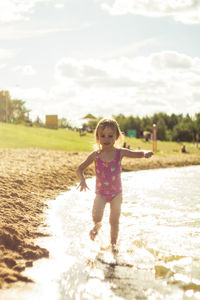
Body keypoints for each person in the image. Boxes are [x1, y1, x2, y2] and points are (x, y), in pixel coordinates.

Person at [76, 118, 153, 251]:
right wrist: (82, 180)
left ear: (116, 136)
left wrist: (144, 153)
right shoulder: (95, 155)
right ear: (98, 137)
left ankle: (113, 245)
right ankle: (97, 226)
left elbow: (135, 154)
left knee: (114, 221)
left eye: (110, 136)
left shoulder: (120, 152)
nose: (106, 139)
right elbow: (79, 168)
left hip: (116, 193)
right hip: (100, 193)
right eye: (103, 136)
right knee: (96, 216)